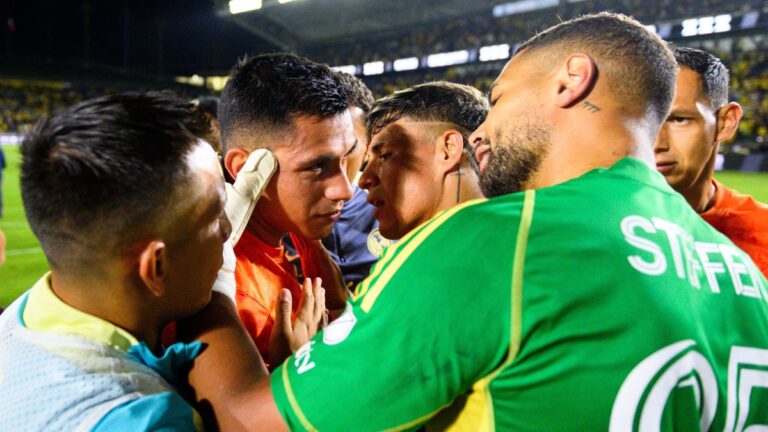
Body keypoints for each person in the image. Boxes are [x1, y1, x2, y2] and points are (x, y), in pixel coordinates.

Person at [182, 13, 768, 431]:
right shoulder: (742, 273)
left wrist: (210, 277)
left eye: (501, 96)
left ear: (570, 81)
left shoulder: (490, 241)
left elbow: (246, 420)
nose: (483, 130)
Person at [0, 91, 324, 430]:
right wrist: (288, 387)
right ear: (154, 268)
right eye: (215, 216)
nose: (228, 229)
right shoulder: (144, 420)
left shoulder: (23, 317)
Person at [218, 53, 353, 368]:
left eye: (346, 157)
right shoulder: (242, 301)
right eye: (318, 166)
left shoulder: (282, 236)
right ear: (246, 168)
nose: (345, 189)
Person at [654, 47, 768, 276]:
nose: (656, 143)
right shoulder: (586, 225)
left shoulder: (762, 232)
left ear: (726, 122)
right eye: (643, 121)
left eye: (679, 119)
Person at [285, 71, 389, 289]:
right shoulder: (276, 215)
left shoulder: (395, 210)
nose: (330, 157)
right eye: (318, 145)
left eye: (347, 147)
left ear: (369, 146)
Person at [358, 81, 487, 240]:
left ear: (448, 148)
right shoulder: (519, 230)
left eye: (385, 155)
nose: (364, 180)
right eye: (368, 161)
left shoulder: (414, 261)